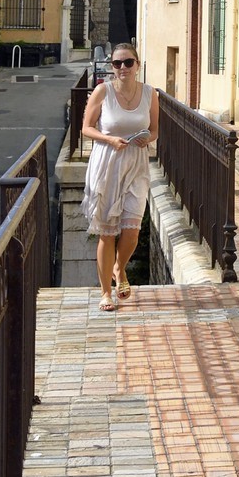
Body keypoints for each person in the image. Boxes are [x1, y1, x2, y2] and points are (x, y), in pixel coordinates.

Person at [79, 42, 160, 311]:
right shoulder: (103, 91)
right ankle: (105, 293)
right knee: (107, 232)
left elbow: (155, 131)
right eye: (117, 63)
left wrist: (146, 138)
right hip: (108, 163)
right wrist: (109, 139)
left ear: (138, 65)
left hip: (136, 164)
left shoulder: (150, 94)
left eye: (128, 62)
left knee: (132, 229)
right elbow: (86, 129)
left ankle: (119, 268)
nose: (122, 68)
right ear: (112, 67)